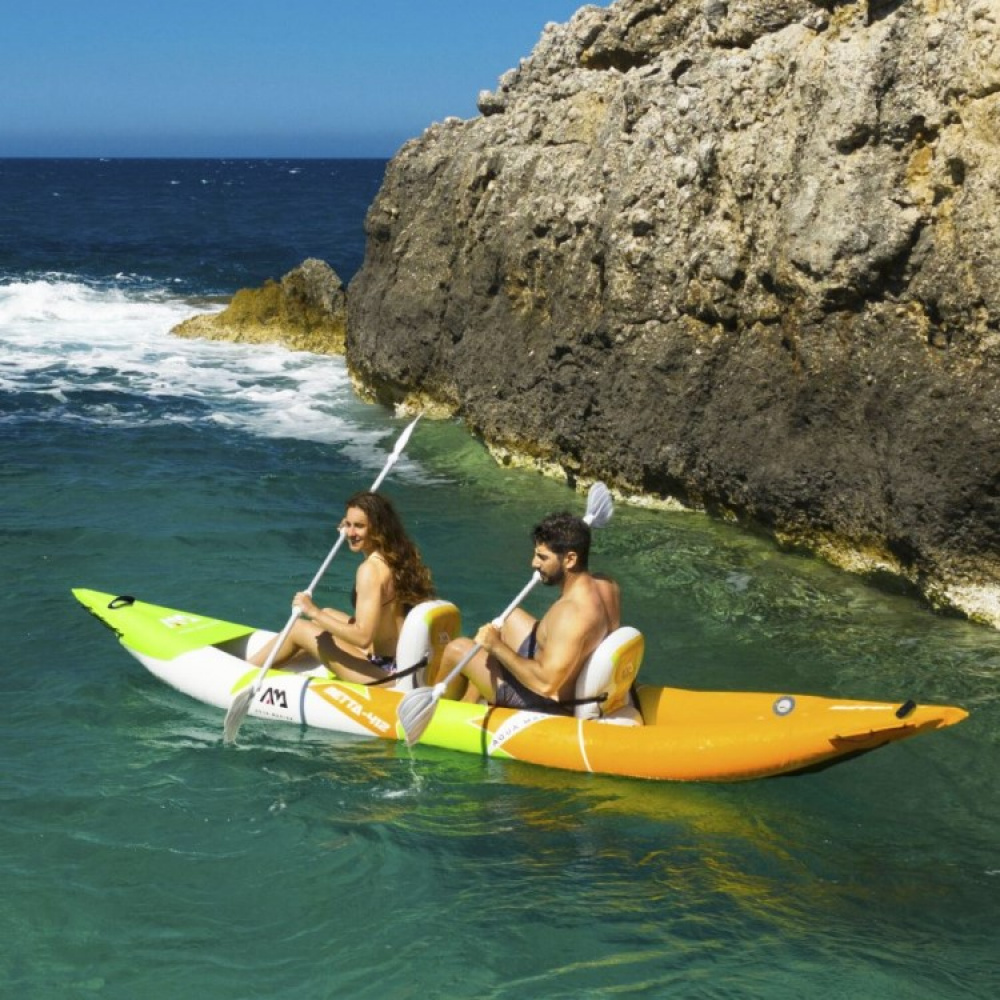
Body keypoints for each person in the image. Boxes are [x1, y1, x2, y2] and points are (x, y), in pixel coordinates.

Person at [442, 511, 620, 715]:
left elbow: (546, 684)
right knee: (510, 618)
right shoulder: (606, 585)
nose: (534, 564)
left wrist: (496, 646)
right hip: (570, 676)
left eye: (543, 557)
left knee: (456, 649)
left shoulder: (572, 613)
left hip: (549, 702)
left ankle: (433, 710)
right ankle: (470, 704)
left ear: (570, 559)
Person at [249, 491, 435, 683]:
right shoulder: (401, 557)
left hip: (385, 673)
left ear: (378, 529)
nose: (351, 533)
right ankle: (281, 662)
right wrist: (351, 527)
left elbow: (363, 637)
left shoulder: (370, 570)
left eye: (360, 526)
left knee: (298, 626)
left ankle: (243, 672)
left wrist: (313, 612)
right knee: (328, 614)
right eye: (348, 524)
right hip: (403, 662)